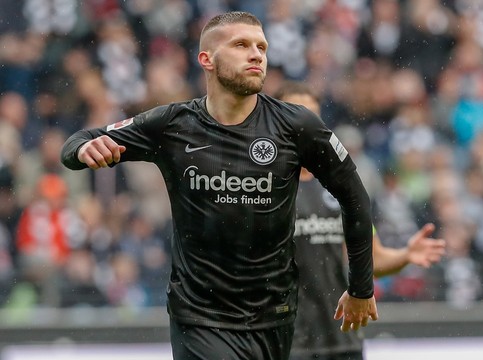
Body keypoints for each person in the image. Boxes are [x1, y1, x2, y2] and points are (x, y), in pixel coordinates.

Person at [60, 11, 377, 360]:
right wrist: (83, 148)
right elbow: (78, 142)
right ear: (206, 59)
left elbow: (354, 196)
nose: (256, 54)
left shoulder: (296, 125)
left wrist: (361, 288)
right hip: (199, 317)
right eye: (241, 45)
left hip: (274, 316)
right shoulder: (173, 124)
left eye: (262, 46)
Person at [275, 82, 446, 360]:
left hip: (343, 336)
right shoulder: (267, 188)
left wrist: (405, 255)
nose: (305, 126)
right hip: (287, 342)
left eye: (313, 117)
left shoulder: (341, 187)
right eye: (297, 115)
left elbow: (371, 260)